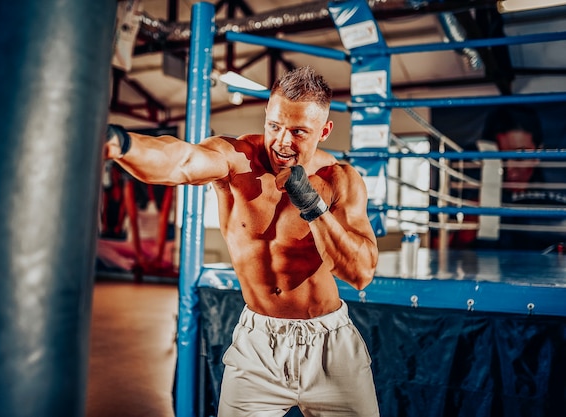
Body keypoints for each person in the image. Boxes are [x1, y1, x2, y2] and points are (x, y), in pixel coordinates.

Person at [104, 66, 380, 416]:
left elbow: (361, 272)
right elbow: (181, 161)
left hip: (330, 344)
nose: (282, 141)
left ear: (324, 131)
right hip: (257, 345)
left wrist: (312, 206)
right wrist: (121, 143)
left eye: (298, 132)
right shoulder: (237, 159)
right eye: (275, 125)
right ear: (267, 114)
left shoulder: (339, 179)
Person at [449, 105, 566, 251]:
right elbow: (458, 255)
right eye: (501, 157)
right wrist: (470, 227)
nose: (510, 168)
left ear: (538, 153)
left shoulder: (558, 193)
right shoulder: (476, 195)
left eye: (520, 155)